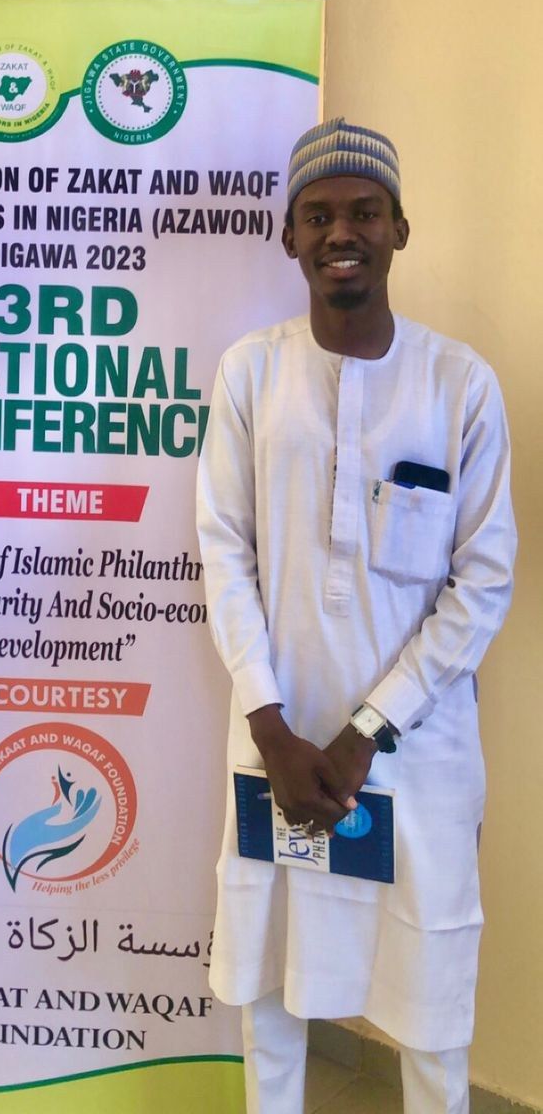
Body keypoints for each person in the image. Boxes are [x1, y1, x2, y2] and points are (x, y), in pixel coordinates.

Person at [196, 119, 516, 1114]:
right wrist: (271, 729)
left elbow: (483, 579)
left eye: (364, 212)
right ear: (288, 236)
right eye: (318, 214)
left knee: (431, 1002)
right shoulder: (250, 374)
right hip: (279, 742)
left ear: (398, 229)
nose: (342, 232)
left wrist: (368, 728)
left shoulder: (458, 384)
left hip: (415, 758)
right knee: (269, 989)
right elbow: (223, 551)